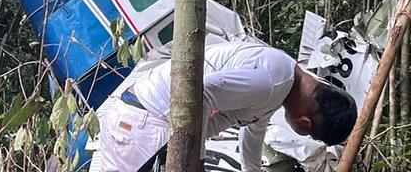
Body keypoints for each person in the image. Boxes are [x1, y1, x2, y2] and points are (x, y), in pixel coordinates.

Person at [90, 39, 357, 172]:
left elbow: (253, 132)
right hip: (147, 124)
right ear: (305, 124)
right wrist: (196, 160)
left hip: (144, 120)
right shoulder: (268, 82)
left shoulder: (282, 81)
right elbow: (200, 92)